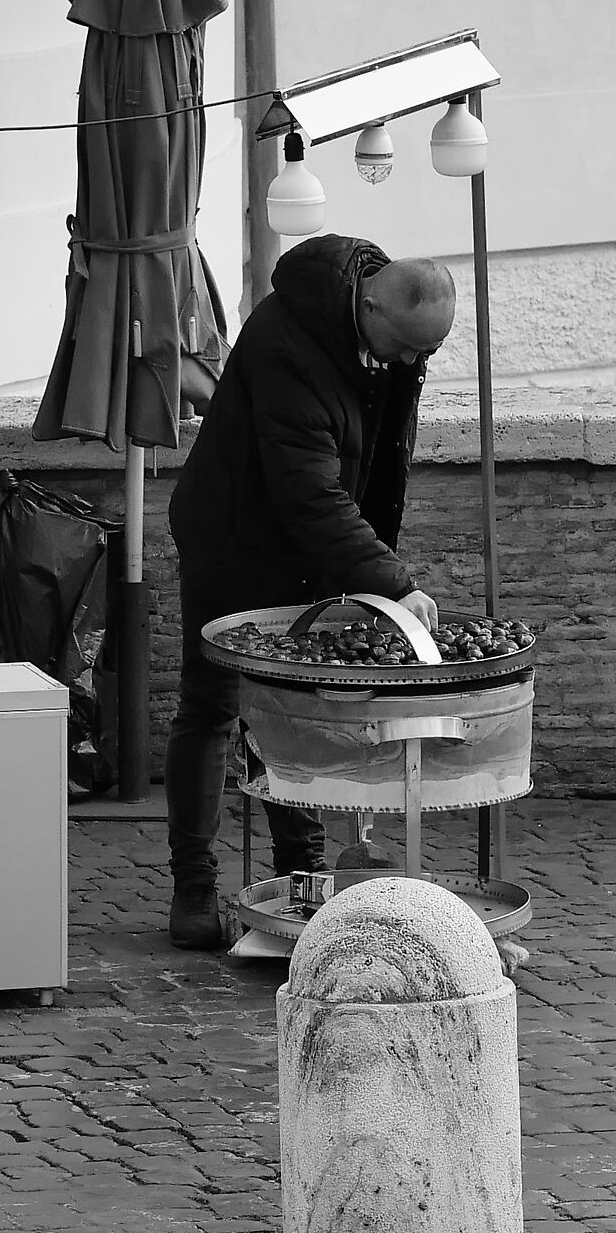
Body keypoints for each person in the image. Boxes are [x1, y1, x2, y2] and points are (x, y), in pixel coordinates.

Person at [162, 235, 457, 950]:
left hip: (308, 547)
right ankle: (193, 885)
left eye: (425, 355)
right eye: (409, 349)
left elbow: (380, 455)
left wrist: (371, 561)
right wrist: (393, 581)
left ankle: (306, 869)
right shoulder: (285, 342)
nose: (414, 365)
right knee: (213, 702)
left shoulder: (380, 333)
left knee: (293, 703)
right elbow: (312, 494)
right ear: (372, 302)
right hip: (234, 538)